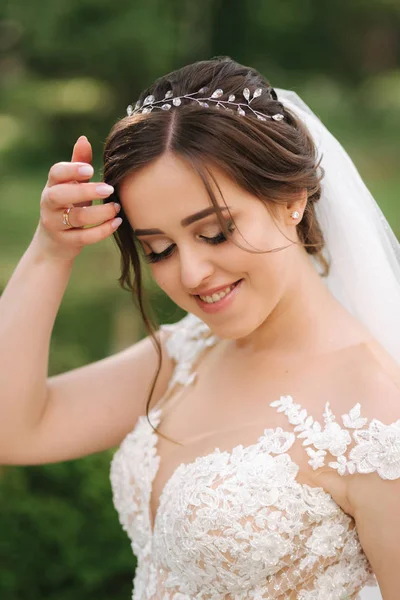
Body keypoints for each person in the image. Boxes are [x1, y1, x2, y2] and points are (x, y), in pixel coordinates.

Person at [0, 56, 399, 600]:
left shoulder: (377, 415)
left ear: (292, 199)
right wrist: (49, 255)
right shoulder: (187, 352)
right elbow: (14, 430)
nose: (190, 275)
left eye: (214, 234)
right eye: (158, 250)